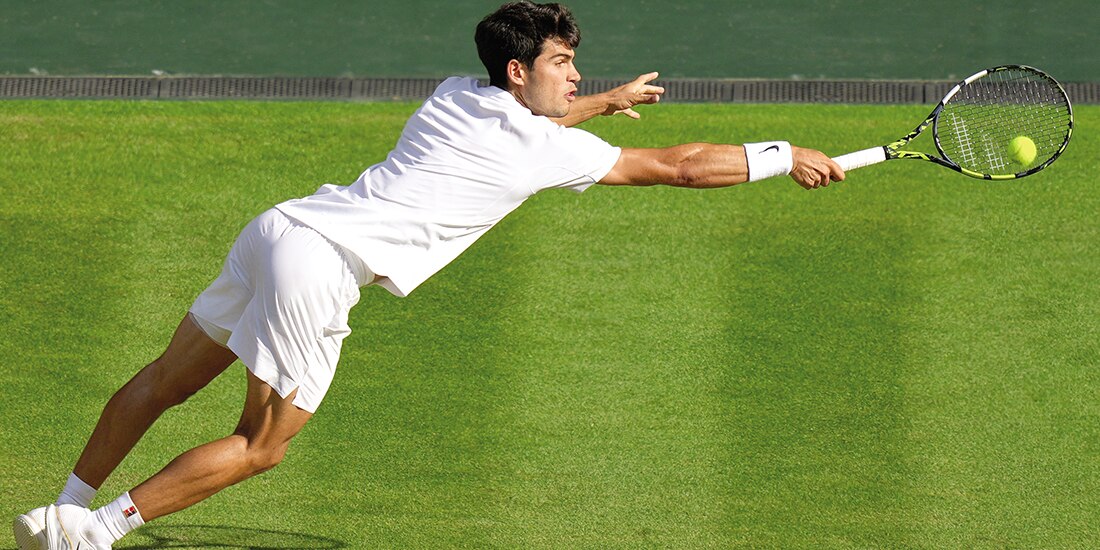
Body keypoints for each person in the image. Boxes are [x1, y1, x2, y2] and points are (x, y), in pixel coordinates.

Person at [13, 2, 843, 548]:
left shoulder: (456, 96)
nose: (575, 75)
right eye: (562, 62)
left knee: (166, 379)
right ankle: (94, 533)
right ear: (519, 72)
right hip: (322, 268)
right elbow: (683, 166)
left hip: (277, 229)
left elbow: (530, 126)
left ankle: (67, 502)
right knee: (263, 446)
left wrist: (596, 102)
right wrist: (785, 154)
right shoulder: (540, 143)